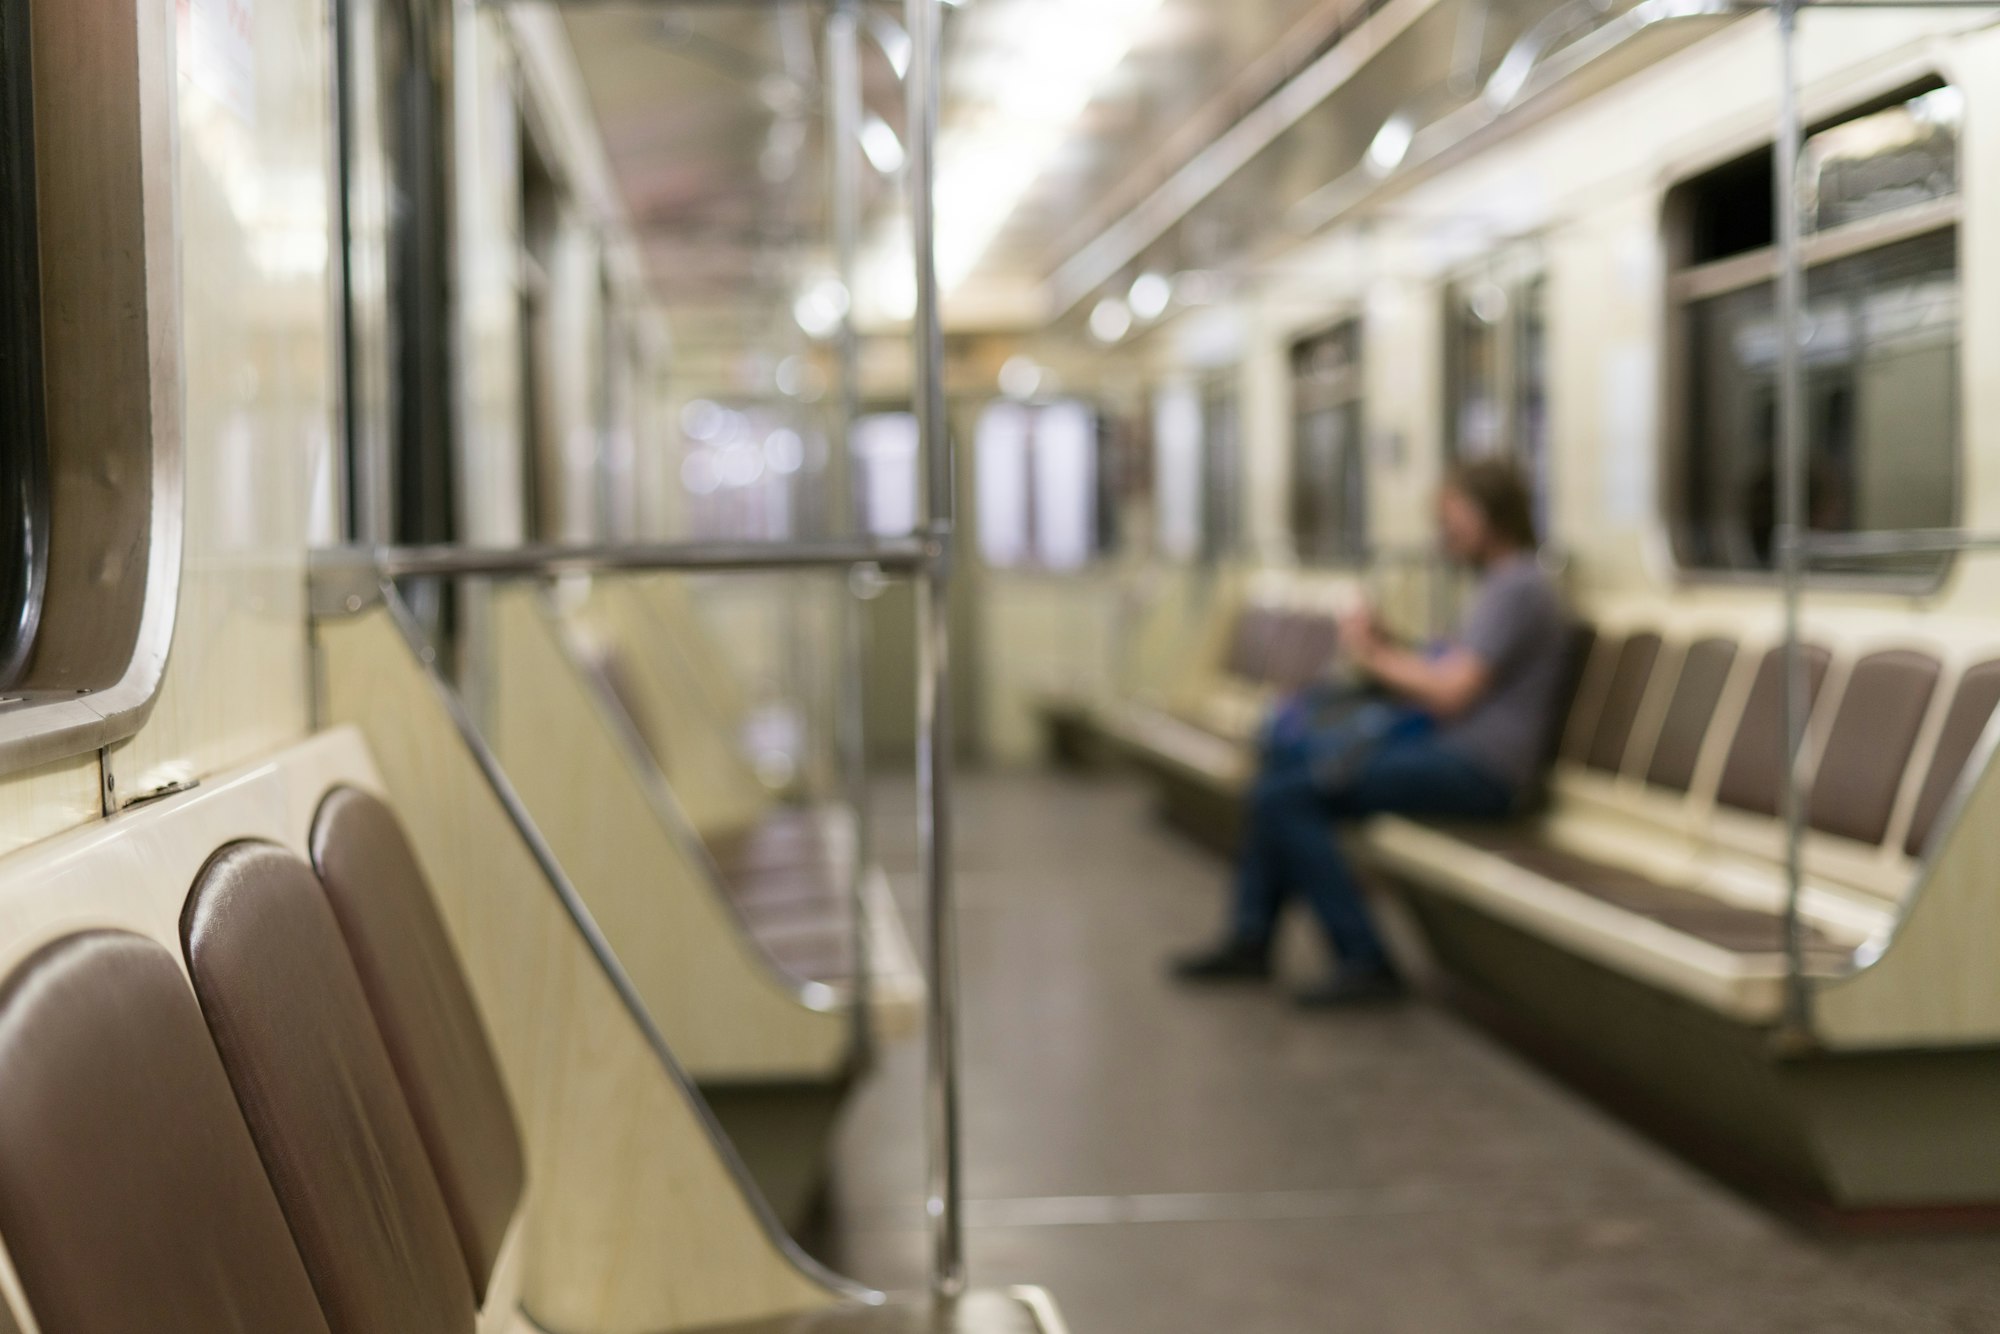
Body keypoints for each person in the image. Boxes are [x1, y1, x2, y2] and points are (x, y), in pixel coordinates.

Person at [1171, 458, 1571, 1007]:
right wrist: (1389, 641)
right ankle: (1251, 937)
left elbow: (1451, 692)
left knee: (1288, 797)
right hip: (1451, 751)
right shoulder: (1501, 586)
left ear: (1487, 517)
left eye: (1452, 517)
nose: (1444, 533)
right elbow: (1452, 668)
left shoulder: (1517, 587)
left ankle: (1362, 957)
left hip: (1482, 770)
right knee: (1280, 775)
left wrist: (1372, 655)